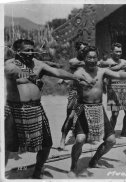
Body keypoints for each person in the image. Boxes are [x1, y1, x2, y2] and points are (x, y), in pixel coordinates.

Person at [5, 39, 87, 179]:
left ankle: (37, 171)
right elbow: (10, 71)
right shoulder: (10, 65)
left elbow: (57, 71)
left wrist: (74, 77)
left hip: (36, 109)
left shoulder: (37, 63)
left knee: (46, 144)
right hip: (15, 109)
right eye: (27, 50)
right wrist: (25, 70)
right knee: (7, 146)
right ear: (17, 52)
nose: (31, 52)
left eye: (32, 49)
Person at [68, 46, 126, 177]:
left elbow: (118, 74)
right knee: (80, 139)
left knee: (111, 140)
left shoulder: (102, 71)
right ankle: (73, 167)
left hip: (99, 109)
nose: (92, 60)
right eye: (89, 57)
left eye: (95, 57)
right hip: (83, 109)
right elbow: (74, 82)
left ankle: (94, 161)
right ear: (84, 59)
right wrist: (81, 83)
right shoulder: (79, 72)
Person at [58, 41, 88, 150]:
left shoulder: (89, 60)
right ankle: (63, 139)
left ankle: (81, 134)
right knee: (70, 116)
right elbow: (70, 71)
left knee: (85, 115)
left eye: (85, 49)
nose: (84, 51)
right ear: (77, 50)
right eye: (82, 49)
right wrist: (64, 79)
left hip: (86, 91)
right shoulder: (73, 61)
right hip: (75, 91)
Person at [104, 43, 126, 137]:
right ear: (111, 52)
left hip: (125, 89)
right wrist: (117, 67)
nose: (119, 53)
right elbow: (102, 72)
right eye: (117, 51)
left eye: (120, 51)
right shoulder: (107, 62)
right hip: (113, 89)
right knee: (115, 113)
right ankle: (111, 132)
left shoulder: (124, 62)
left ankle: (124, 131)